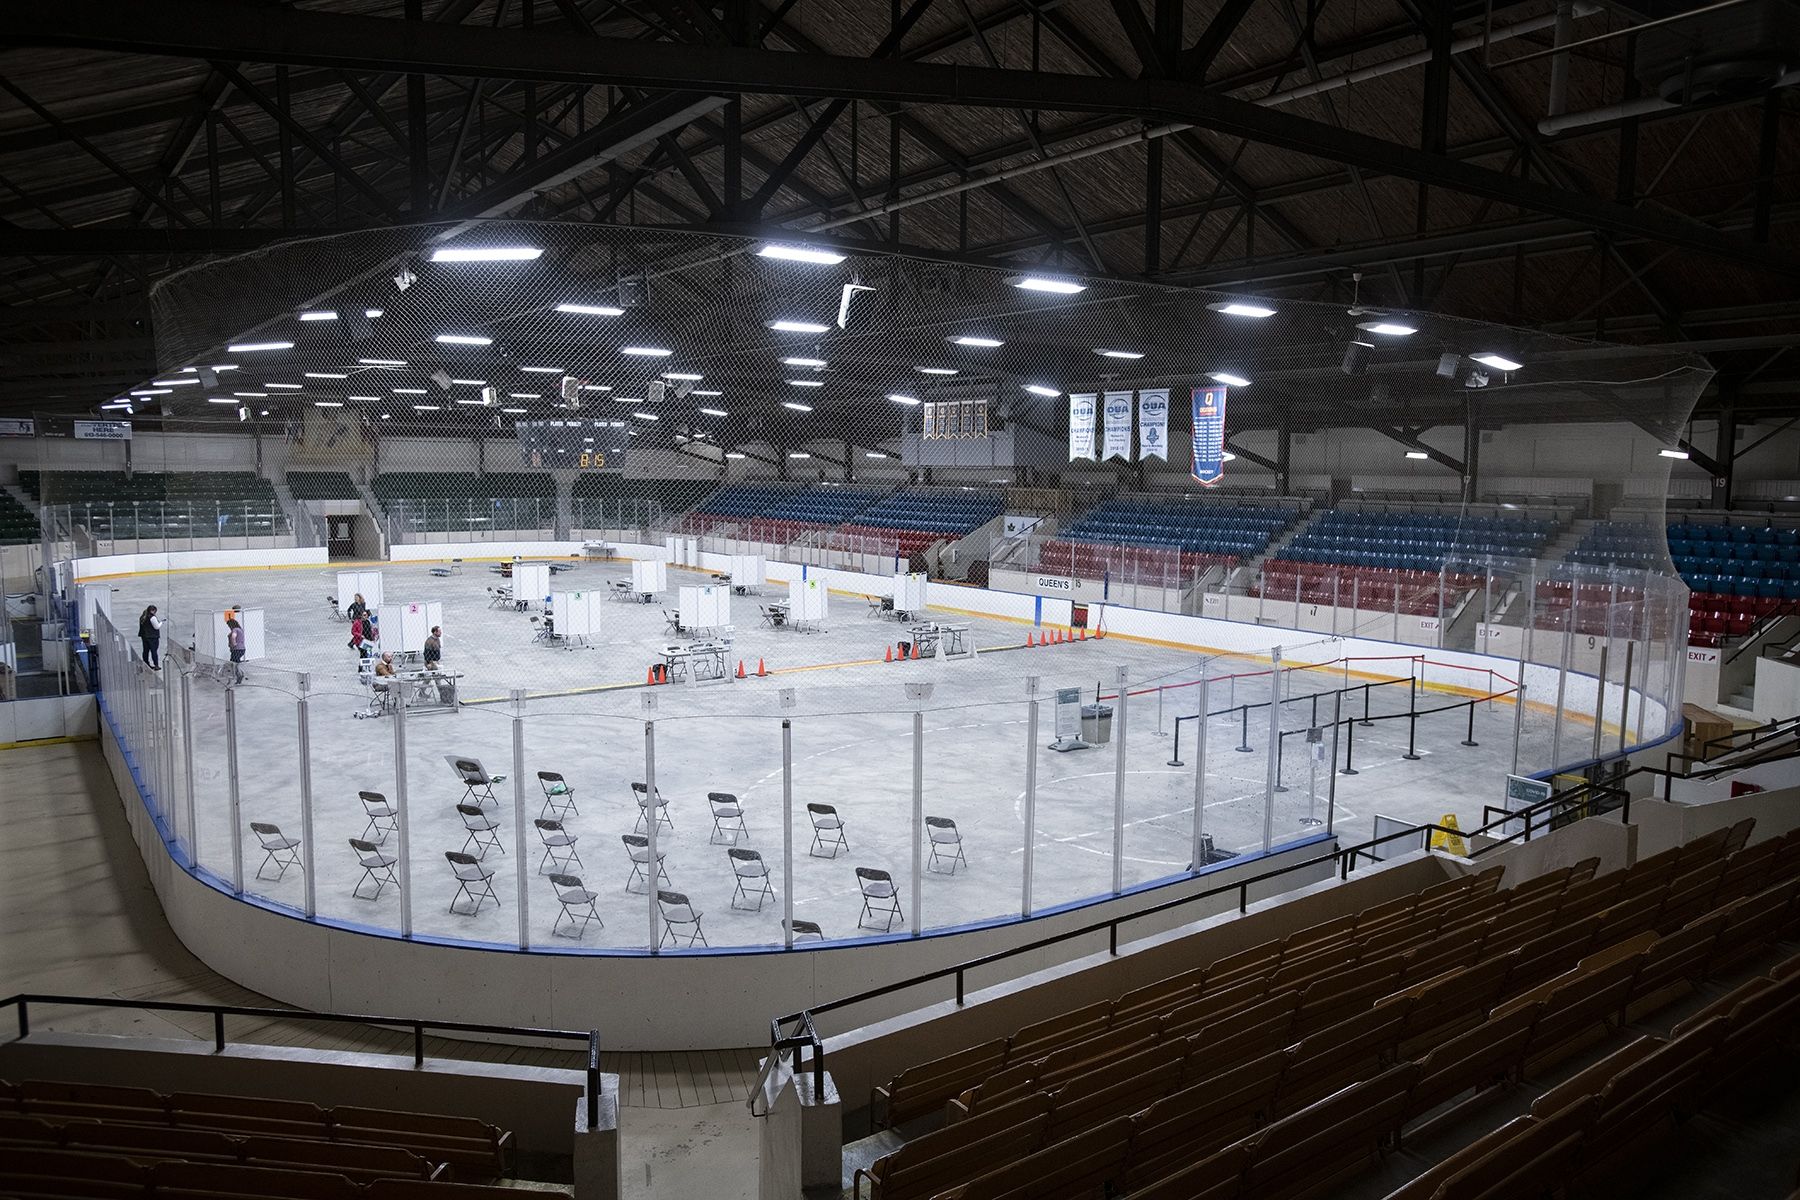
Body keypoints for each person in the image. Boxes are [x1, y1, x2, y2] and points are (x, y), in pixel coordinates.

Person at [138, 604, 163, 670]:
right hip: (152, 637)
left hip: (144, 636)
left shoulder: (143, 617)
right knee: (154, 651)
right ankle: (156, 665)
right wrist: (161, 622)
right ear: (154, 610)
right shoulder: (152, 618)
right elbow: (156, 627)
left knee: (145, 651)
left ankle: (146, 664)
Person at [226, 617, 246, 683]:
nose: (229, 627)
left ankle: (240, 674)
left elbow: (233, 636)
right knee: (235, 662)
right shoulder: (240, 629)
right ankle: (239, 676)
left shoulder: (235, 630)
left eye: (229, 625)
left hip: (237, 649)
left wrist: (233, 644)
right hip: (242, 649)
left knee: (233, 663)